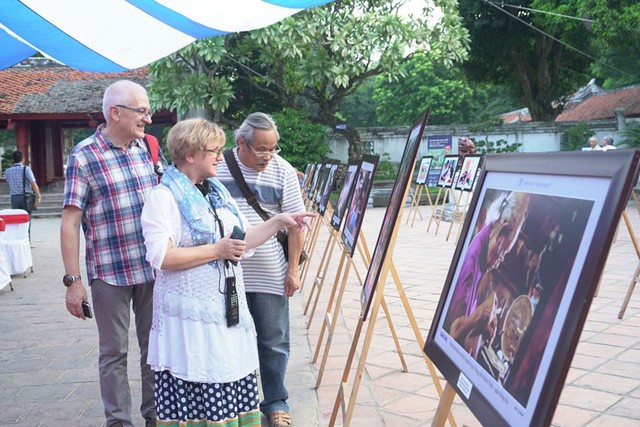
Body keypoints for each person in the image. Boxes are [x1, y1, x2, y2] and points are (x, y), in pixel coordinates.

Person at [140, 118, 313, 426]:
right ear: (191, 154)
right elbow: (162, 256)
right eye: (214, 150)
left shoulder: (214, 192)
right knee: (200, 389)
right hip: (191, 320)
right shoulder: (164, 197)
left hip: (223, 312)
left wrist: (279, 221)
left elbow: (241, 240)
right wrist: (216, 251)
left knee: (227, 378)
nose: (221, 156)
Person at [61, 80, 164, 427]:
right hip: (109, 272)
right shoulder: (84, 155)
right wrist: (73, 281)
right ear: (115, 112)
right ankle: (119, 422)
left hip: (152, 268)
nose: (148, 119)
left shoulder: (148, 149)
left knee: (156, 348)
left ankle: (155, 416)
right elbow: (70, 221)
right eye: (142, 111)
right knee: (113, 353)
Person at [216, 112, 306, 427]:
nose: (269, 156)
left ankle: (276, 402)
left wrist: (292, 269)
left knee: (273, 339)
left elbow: (297, 225)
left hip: (270, 271)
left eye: (273, 148)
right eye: (262, 149)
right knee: (228, 339)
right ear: (242, 142)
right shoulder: (217, 166)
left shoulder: (282, 171)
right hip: (226, 273)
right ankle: (237, 403)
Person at [4, 150, 41, 239]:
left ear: (12, 160)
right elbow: (33, 183)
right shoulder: (26, 169)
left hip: (14, 197)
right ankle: (26, 240)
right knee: (26, 218)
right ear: (23, 159)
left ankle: (18, 239)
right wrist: (38, 195)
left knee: (16, 219)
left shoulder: (7, 171)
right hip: (26, 197)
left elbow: (8, 183)